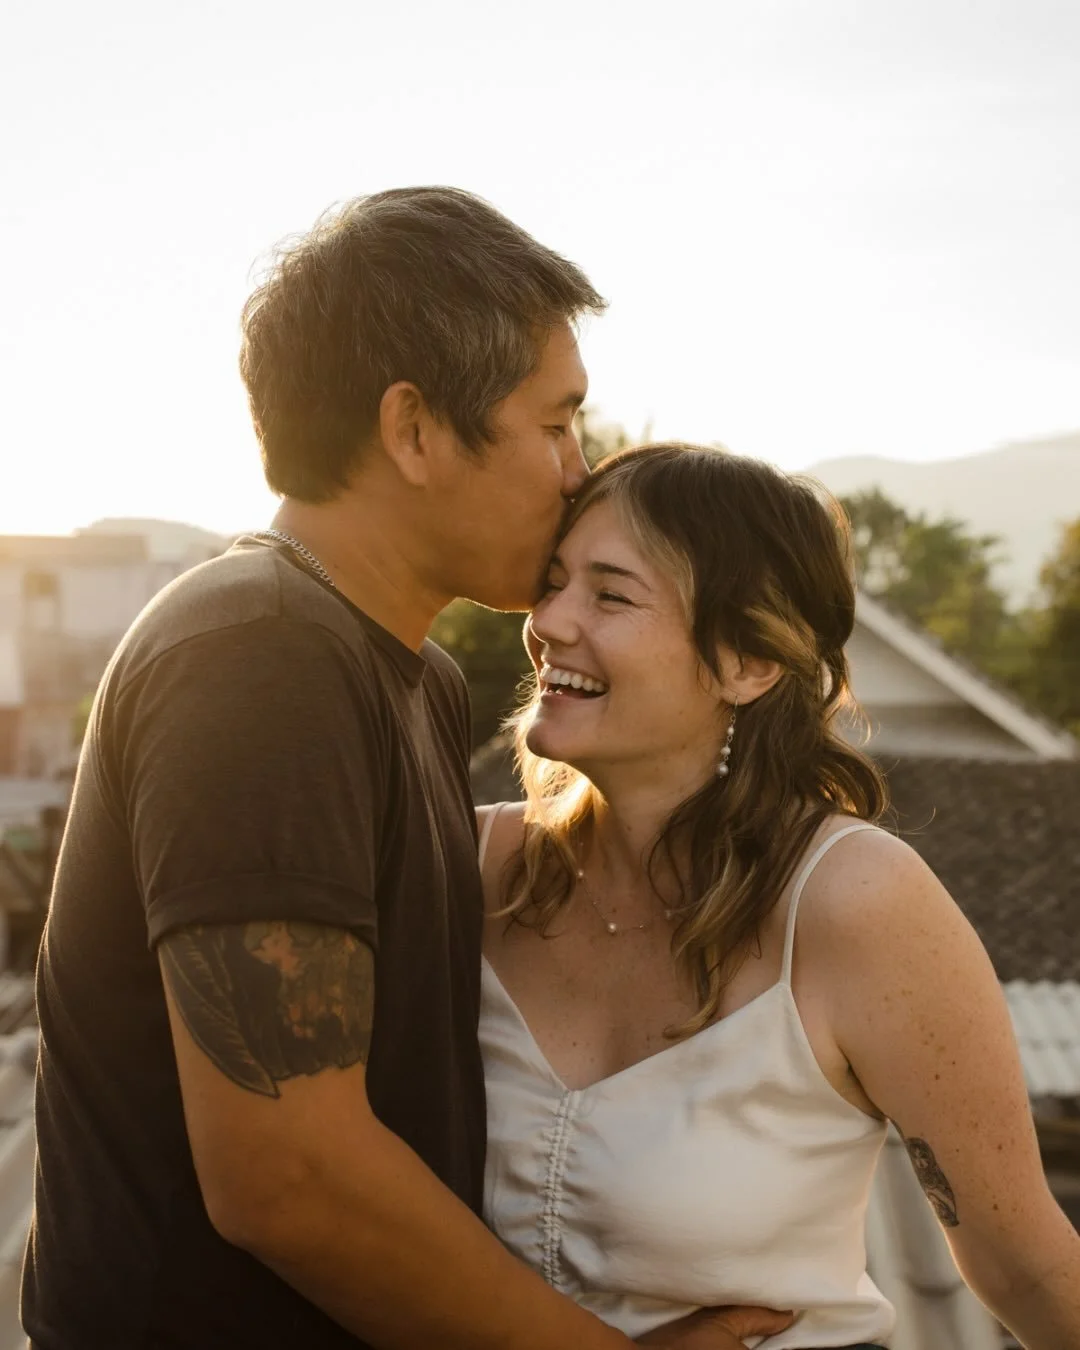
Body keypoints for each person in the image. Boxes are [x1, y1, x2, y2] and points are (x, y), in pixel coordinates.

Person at [22, 192, 787, 1350]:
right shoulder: (258, 654)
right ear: (415, 429)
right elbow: (289, 1172)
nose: (578, 472)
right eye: (555, 424)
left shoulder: (409, 678)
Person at [477, 443, 1080, 1350]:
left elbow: (1027, 1266)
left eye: (610, 594)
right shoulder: (469, 865)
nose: (548, 621)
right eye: (554, 580)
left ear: (747, 664)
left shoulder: (855, 904)